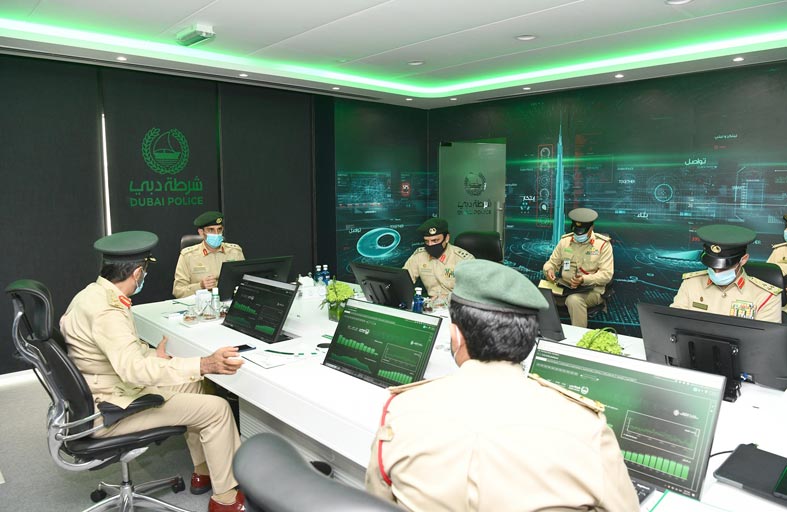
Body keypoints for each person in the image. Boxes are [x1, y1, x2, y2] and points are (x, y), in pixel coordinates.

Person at [366, 259, 638, 511]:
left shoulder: (400, 412)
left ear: (455, 336)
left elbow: (377, 502)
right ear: (529, 340)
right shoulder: (587, 429)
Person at [60, 231, 246, 512]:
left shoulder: (92, 294)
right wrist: (204, 364)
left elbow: (112, 354)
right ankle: (226, 500)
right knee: (217, 409)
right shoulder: (108, 311)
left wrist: (152, 355)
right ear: (137, 273)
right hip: (111, 408)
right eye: (144, 271)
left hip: (100, 391)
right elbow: (134, 370)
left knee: (195, 385)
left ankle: (205, 470)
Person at [671, 224, 781, 323]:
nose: (717, 272)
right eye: (712, 266)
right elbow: (673, 324)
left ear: (743, 260)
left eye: (725, 267)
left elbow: (765, 338)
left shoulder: (765, 297)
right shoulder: (690, 285)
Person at [542, 207, 613, 327]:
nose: (578, 234)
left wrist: (584, 279)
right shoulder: (565, 241)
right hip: (565, 287)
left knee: (574, 300)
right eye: (576, 230)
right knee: (541, 294)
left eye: (582, 231)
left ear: (591, 228)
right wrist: (549, 270)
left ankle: (578, 336)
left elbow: (606, 275)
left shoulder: (603, 245)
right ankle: (548, 332)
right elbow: (551, 263)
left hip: (591, 290)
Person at [173, 211, 244, 299]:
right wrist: (200, 286)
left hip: (228, 301)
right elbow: (178, 291)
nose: (216, 234)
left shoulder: (235, 252)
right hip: (201, 303)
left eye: (219, 229)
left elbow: (245, 284)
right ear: (201, 232)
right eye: (211, 230)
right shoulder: (187, 256)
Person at [402, 217, 474, 300]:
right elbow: (403, 280)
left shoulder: (463, 259)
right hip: (430, 303)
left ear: (446, 238)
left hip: (456, 303)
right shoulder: (419, 255)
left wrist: (449, 298)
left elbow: (475, 291)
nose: (430, 244)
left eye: (435, 240)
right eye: (427, 241)